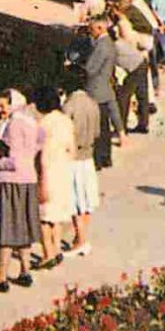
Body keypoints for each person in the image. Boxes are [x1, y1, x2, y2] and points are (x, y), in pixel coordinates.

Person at [0, 88, 44, 293]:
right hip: (28, 179)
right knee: (23, 227)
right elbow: (37, 145)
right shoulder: (30, 121)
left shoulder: (14, 125)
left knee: (6, 230)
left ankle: (1, 278)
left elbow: (13, 160)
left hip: (10, 181)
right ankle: (25, 271)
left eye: (3, 105)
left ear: (13, 104)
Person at [32, 87, 75, 271]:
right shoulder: (66, 120)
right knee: (56, 216)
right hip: (64, 170)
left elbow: (43, 155)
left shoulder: (43, 124)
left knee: (43, 216)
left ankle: (47, 253)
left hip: (49, 171)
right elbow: (72, 149)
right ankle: (56, 248)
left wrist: (42, 180)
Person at [62, 83, 100, 259]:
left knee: (75, 200)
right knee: (86, 199)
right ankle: (80, 236)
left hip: (73, 158)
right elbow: (98, 132)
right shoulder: (93, 103)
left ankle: (81, 240)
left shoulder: (68, 106)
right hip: (88, 156)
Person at [84, 16, 126, 149]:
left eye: (92, 29)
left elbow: (91, 68)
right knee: (113, 109)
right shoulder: (109, 42)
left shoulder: (101, 46)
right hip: (106, 81)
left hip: (96, 85)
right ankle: (122, 135)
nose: (90, 31)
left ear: (100, 28)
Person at [112, 17, 152, 136]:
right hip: (142, 62)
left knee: (123, 96)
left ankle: (121, 128)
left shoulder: (111, 47)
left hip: (135, 68)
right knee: (142, 94)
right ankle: (143, 124)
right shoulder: (119, 43)